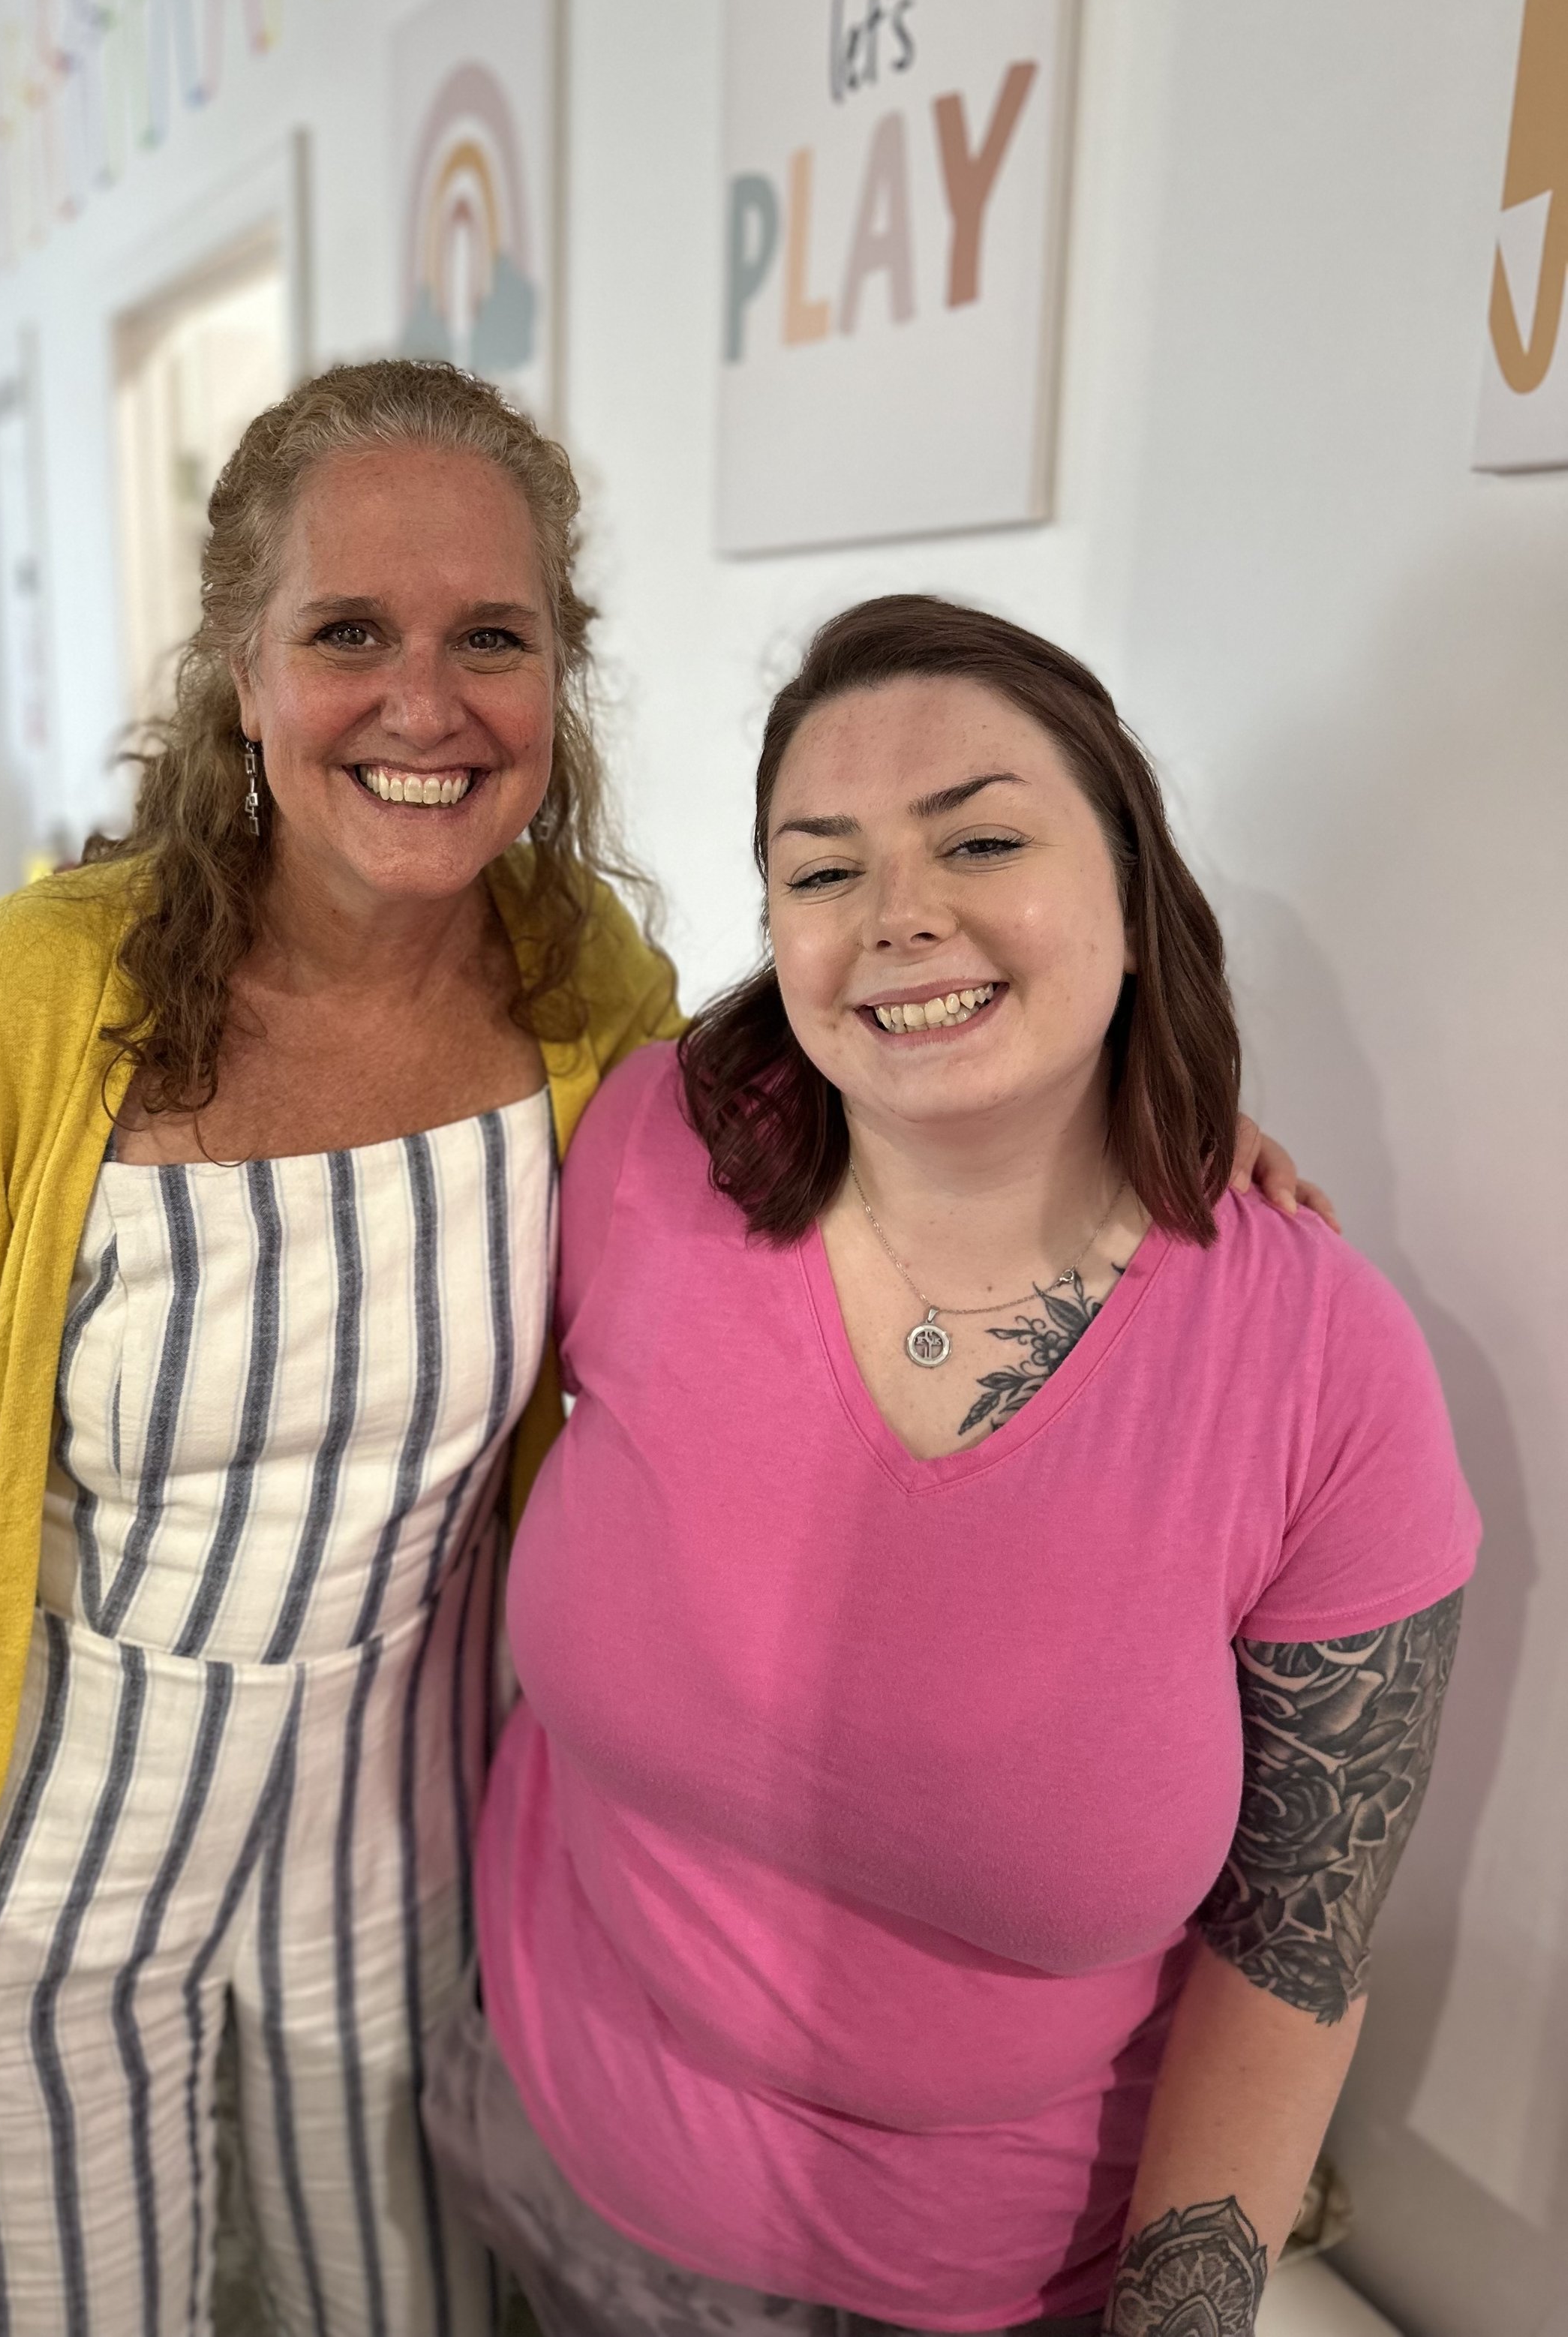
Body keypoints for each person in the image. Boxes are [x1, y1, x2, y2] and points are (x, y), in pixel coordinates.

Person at [0, 360, 683, 2337]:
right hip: (28, 1858)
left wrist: (1139, 1150)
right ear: (242, 670)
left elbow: (786, 1209)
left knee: (413, 2306)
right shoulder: (12, 1006)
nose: (425, 702)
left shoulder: (587, 978)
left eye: (487, 635)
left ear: (553, 676)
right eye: (349, 633)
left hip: (402, 1851)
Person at [427, 597, 1476, 2337]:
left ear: (1133, 894)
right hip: (551, 2146)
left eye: (982, 838)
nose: (900, 914)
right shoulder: (651, 1151)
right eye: (821, 871)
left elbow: (1293, 1955)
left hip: (984, 2288)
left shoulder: (1323, 1369)